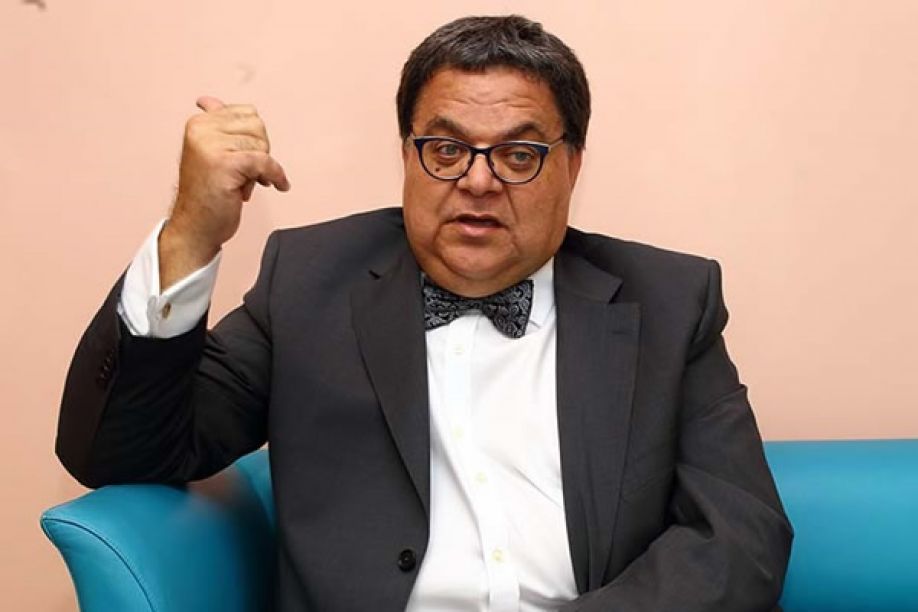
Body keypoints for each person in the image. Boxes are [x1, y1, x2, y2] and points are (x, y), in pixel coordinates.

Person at [57, 14, 792, 612]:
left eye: (519, 155)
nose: (477, 181)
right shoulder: (310, 283)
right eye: (445, 149)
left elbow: (741, 536)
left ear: (572, 165)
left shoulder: (670, 300)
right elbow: (124, 455)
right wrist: (191, 233)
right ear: (407, 156)